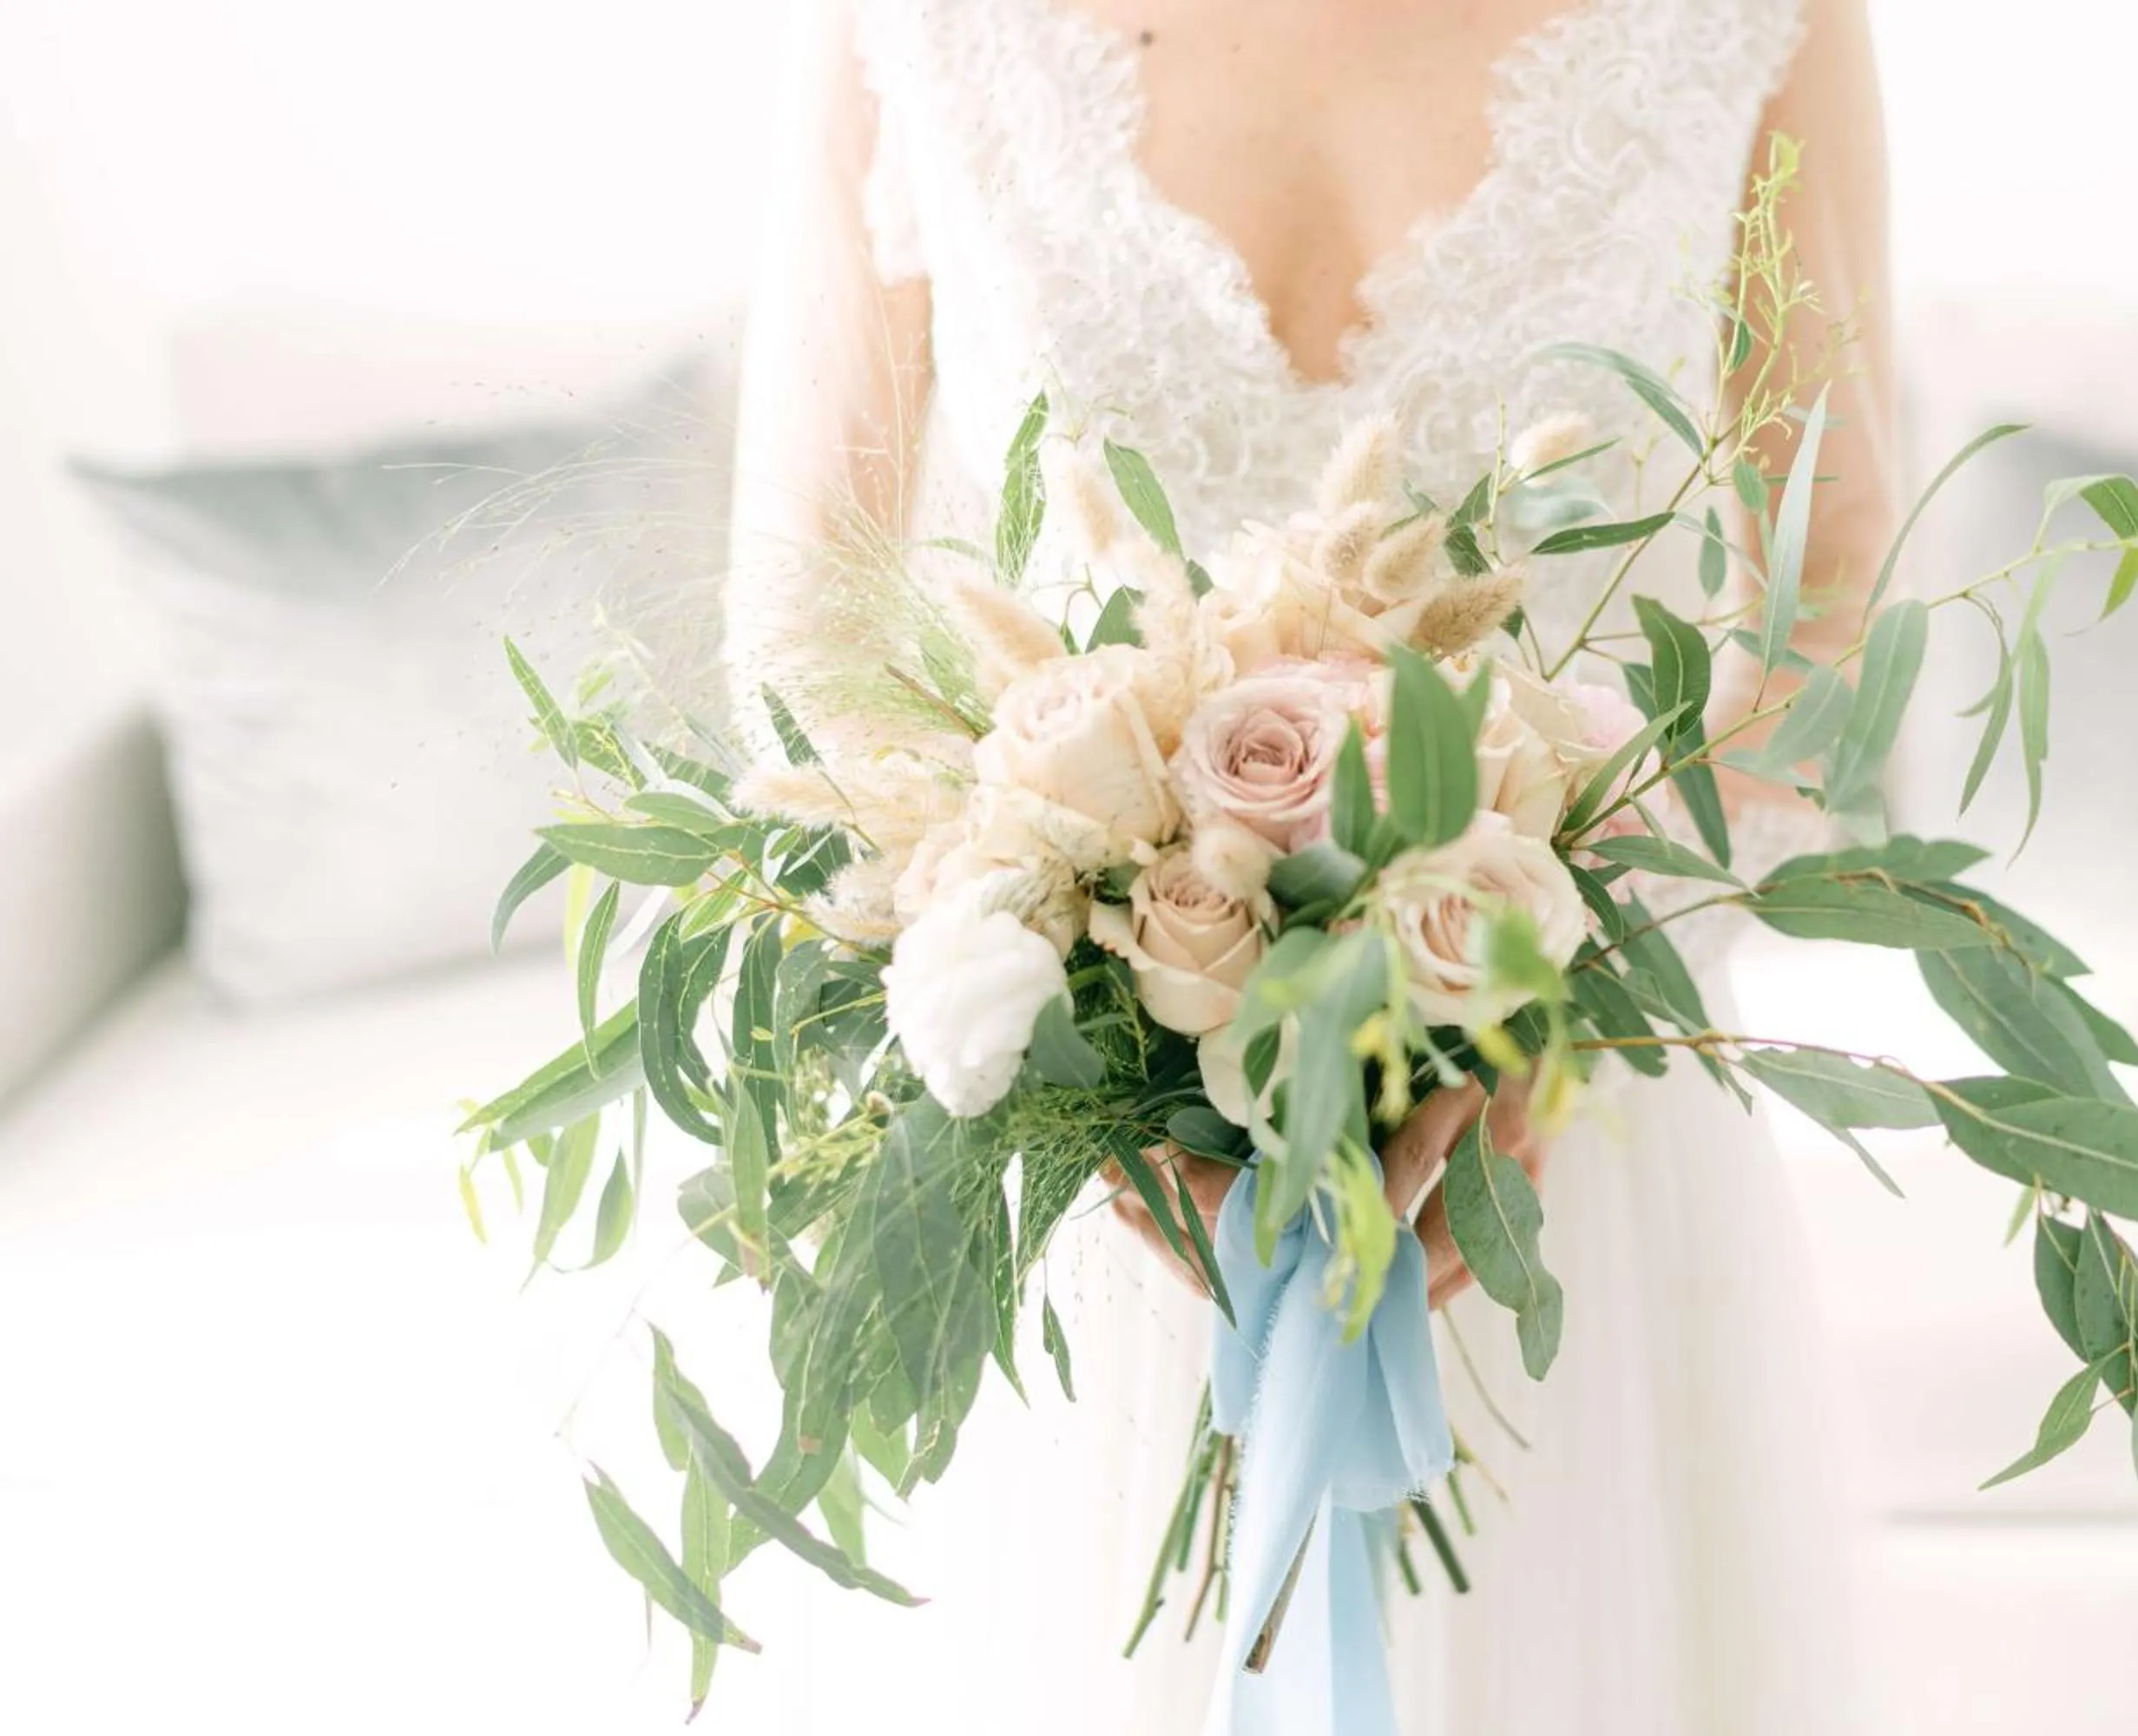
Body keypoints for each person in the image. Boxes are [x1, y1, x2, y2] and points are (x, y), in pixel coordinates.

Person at [727, 1, 1896, 1727]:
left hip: (1563, 1137)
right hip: (1097, 1179)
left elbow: (1828, 591)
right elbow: (810, 625)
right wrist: (1093, 1037)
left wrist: (1529, 992)